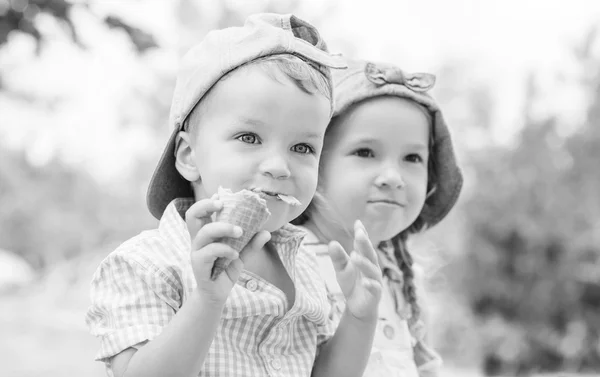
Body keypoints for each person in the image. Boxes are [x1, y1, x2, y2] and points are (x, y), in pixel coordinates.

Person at [85, 14, 383, 377]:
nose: (279, 166)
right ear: (189, 155)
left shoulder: (304, 264)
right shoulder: (147, 264)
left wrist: (359, 316)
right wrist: (207, 300)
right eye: (249, 138)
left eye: (303, 147)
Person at [293, 58, 464, 377]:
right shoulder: (290, 263)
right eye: (366, 152)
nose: (393, 176)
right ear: (314, 164)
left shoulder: (404, 279)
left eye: (412, 158)